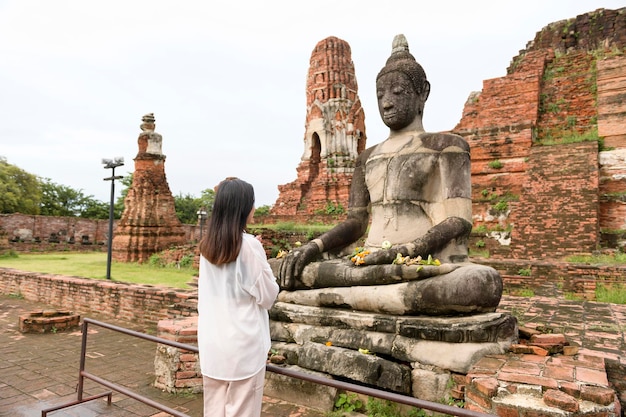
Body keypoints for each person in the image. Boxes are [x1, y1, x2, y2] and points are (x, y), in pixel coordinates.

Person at [277, 34, 502, 316]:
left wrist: (405, 252)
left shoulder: (446, 147)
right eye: (381, 94)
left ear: (423, 93)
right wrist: (314, 246)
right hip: (367, 262)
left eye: (397, 92)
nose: (387, 102)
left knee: (479, 282)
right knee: (285, 268)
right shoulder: (366, 157)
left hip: (419, 264)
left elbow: (458, 220)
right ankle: (368, 296)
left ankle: (347, 300)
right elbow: (356, 223)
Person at [197, 177, 279, 417]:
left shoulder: (206, 246)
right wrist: (258, 254)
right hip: (243, 347)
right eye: (252, 203)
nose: (254, 208)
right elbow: (268, 296)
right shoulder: (249, 246)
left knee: (214, 412)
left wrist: (253, 249)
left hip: (213, 344)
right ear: (243, 208)